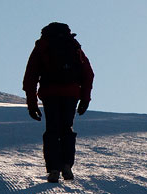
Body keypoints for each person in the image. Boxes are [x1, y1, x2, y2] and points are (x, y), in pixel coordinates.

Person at [23, 22, 94, 183]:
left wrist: (32, 104)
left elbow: (30, 77)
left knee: (52, 129)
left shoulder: (43, 46)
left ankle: (54, 169)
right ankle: (67, 165)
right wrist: (85, 98)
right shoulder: (73, 45)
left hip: (50, 93)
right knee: (67, 128)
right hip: (71, 93)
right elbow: (88, 74)